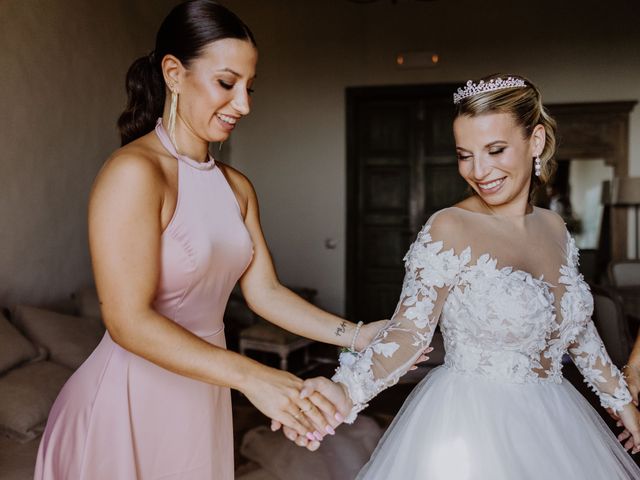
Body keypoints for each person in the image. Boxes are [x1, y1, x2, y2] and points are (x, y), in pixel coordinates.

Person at [33, 1, 406, 478]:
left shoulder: (237, 186)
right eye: (227, 83)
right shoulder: (135, 173)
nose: (244, 104)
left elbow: (264, 292)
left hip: (203, 392)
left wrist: (358, 335)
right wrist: (255, 377)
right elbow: (127, 320)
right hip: (130, 395)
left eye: (249, 88)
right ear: (173, 73)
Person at [296, 74, 640, 479]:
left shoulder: (555, 228)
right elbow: (409, 334)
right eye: (465, 154)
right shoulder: (449, 227)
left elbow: (578, 331)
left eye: (495, 150)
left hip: (556, 423)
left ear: (537, 141)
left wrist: (623, 403)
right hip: (471, 421)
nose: (479, 171)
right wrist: (343, 392)